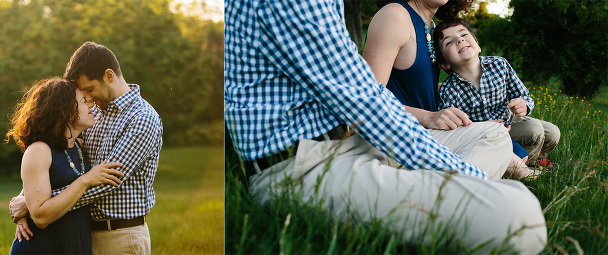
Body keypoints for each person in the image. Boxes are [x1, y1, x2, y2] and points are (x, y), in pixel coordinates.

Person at [225, 0, 546, 253]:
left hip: (356, 140)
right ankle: (449, 194)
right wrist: (471, 176)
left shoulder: (427, 25)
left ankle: (433, 195)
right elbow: (365, 100)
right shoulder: (389, 15)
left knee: (491, 134)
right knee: (521, 217)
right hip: (304, 163)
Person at [9, 42, 163, 255]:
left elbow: (105, 182)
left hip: (120, 236)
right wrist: (31, 196)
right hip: (83, 234)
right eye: (84, 94)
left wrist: (33, 205)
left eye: (90, 89)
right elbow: (59, 160)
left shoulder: (142, 119)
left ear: (109, 76)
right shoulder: (94, 113)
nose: (88, 98)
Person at [362, 0, 523, 179]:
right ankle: (442, 192)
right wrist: (430, 117)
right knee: (494, 134)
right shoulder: (395, 16)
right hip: (400, 136)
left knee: (531, 129)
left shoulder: (430, 26)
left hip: (430, 132)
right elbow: (368, 99)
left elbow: (418, 86)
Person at [5, 77, 125, 254]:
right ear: (67, 111)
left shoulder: (79, 147)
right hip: (42, 247)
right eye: (83, 101)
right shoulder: (39, 150)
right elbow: (40, 216)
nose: (91, 103)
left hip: (74, 245)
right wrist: (85, 181)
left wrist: (23, 204)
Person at [432, 19, 560, 178]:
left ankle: (529, 159)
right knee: (534, 129)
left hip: (509, 122)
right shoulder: (449, 89)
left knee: (552, 133)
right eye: (449, 42)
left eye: (464, 34)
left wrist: (523, 105)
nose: (460, 39)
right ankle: (519, 166)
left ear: (477, 45)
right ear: (444, 64)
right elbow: (453, 128)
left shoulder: (499, 65)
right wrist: (482, 126)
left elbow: (523, 95)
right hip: (482, 133)